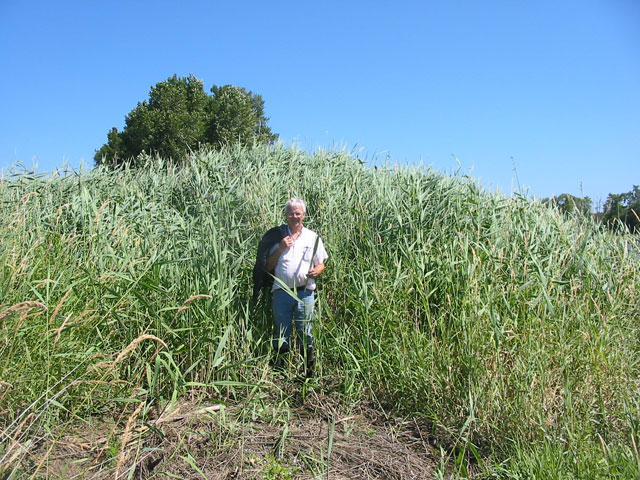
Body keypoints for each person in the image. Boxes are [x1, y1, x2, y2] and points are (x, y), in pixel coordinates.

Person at [265, 197, 328, 376]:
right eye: (291, 213)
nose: (294, 216)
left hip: (305, 293)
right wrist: (280, 249)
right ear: (286, 215)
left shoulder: (312, 237)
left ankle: (308, 373)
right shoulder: (277, 237)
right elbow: (268, 266)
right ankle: (280, 374)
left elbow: (321, 263)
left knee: (306, 332)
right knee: (281, 331)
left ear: (304, 215)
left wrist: (317, 271)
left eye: (297, 213)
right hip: (281, 292)